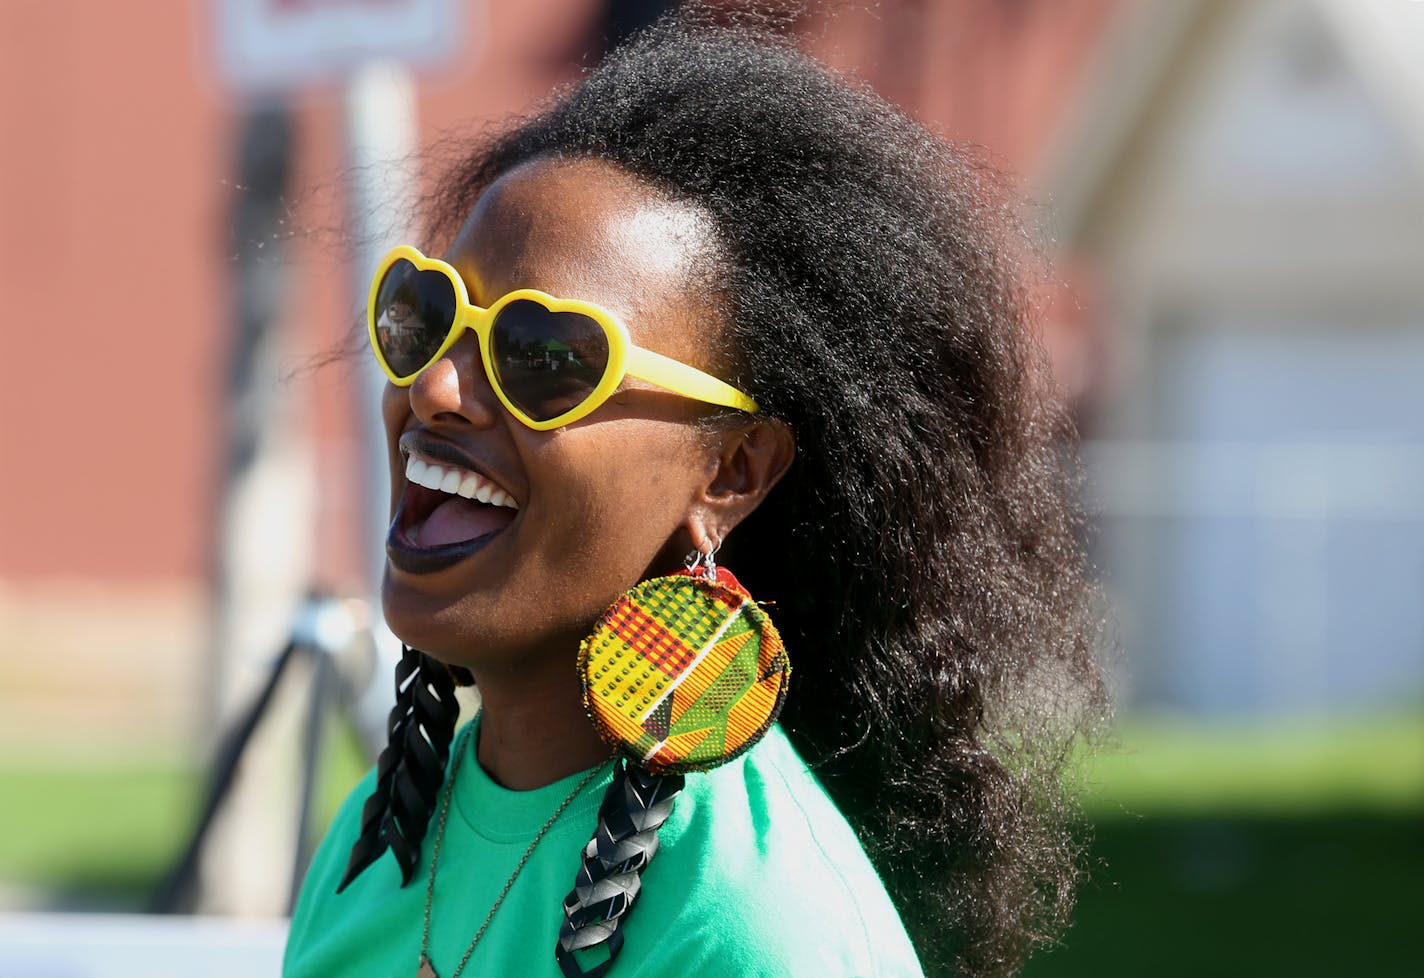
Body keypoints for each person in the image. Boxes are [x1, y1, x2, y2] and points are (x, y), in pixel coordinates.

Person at [285, 16, 1105, 978]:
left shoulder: (758, 930)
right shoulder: (375, 835)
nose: (433, 388)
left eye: (544, 355)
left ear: (732, 472)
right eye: (425, 317)